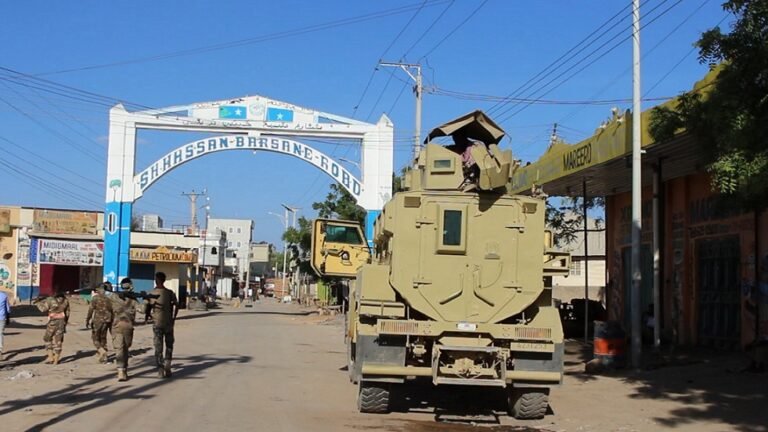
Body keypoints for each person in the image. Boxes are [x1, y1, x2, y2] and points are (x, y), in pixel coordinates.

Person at [144, 272, 178, 378]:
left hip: (157, 323)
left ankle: (160, 369)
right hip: (168, 323)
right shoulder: (170, 293)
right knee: (169, 345)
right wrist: (173, 318)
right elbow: (177, 305)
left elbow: (146, 308)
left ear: (156, 280)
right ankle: (168, 364)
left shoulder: (151, 293)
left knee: (158, 347)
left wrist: (148, 316)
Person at [111, 278, 139, 381]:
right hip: (128, 326)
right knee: (125, 349)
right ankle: (123, 370)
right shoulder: (133, 299)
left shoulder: (114, 296)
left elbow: (108, 309)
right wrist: (146, 299)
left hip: (117, 326)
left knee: (119, 348)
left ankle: (120, 370)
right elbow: (142, 310)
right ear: (130, 285)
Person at [35, 291, 70, 365]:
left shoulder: (50, 300)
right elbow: (67, 313)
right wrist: (65, 323)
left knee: (47, 338)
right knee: (58, 341)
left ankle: (51, 357)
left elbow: (43, 309)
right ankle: (56, 359)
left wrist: (38, 303)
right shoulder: (66, 301)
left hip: (52, 323)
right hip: (61, 322)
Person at [85, 283, 113, 363]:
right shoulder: (110, 298)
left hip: (98, 320)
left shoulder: (95, 298)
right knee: (103, 337)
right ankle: (104, 357)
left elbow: (91, 310)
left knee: (95, 338)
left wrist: (87, 319)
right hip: (107, 320)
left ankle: (101, 351)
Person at [0, 289, 10, 362]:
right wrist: (8, 318)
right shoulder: (4, 295)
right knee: (0, 333)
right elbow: (7, 308)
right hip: (2, 318)